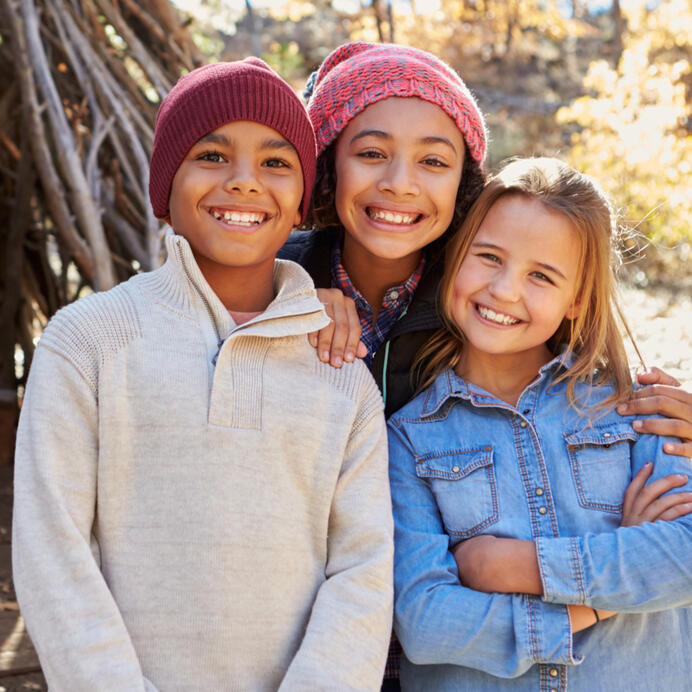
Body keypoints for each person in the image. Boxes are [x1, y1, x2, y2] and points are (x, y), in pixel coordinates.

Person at [278, 40, 692, 689]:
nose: (400, 182)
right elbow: (427, 618)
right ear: (330, 164)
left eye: (432, 160)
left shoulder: (489, 306)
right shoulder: (281, 285)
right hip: (308, 626)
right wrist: (289, 296)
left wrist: (534, 570)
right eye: (371, 152)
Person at [13, 58, 393, 691]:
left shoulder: (338, 370)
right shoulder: (88, 342)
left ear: (302, 200)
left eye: (276, 162)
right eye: (212, 155)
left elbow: (364, 568)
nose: (245, 182)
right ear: (166, 185)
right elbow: (52, 551)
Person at [387, 157, 692, 691]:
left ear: (577, 298)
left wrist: (520, 565)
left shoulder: (637, 410)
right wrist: (605, 594)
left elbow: (683, 558)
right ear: (457, 258)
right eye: (488, 257)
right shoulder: (409, 436)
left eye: (541, 276)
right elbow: (427, 623)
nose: (505, 290)